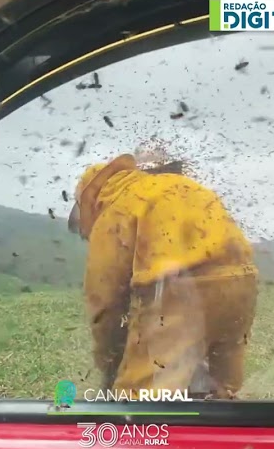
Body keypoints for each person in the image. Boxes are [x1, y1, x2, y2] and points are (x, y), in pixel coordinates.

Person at [68, 154, 258, 399]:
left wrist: (109, 362)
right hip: (241, 280)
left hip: (181, 291)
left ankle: (145, 435)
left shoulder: (114, 209)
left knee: (142, 398)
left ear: (88, 202)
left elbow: (105, 300)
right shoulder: (174, 184)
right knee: (221, 390)